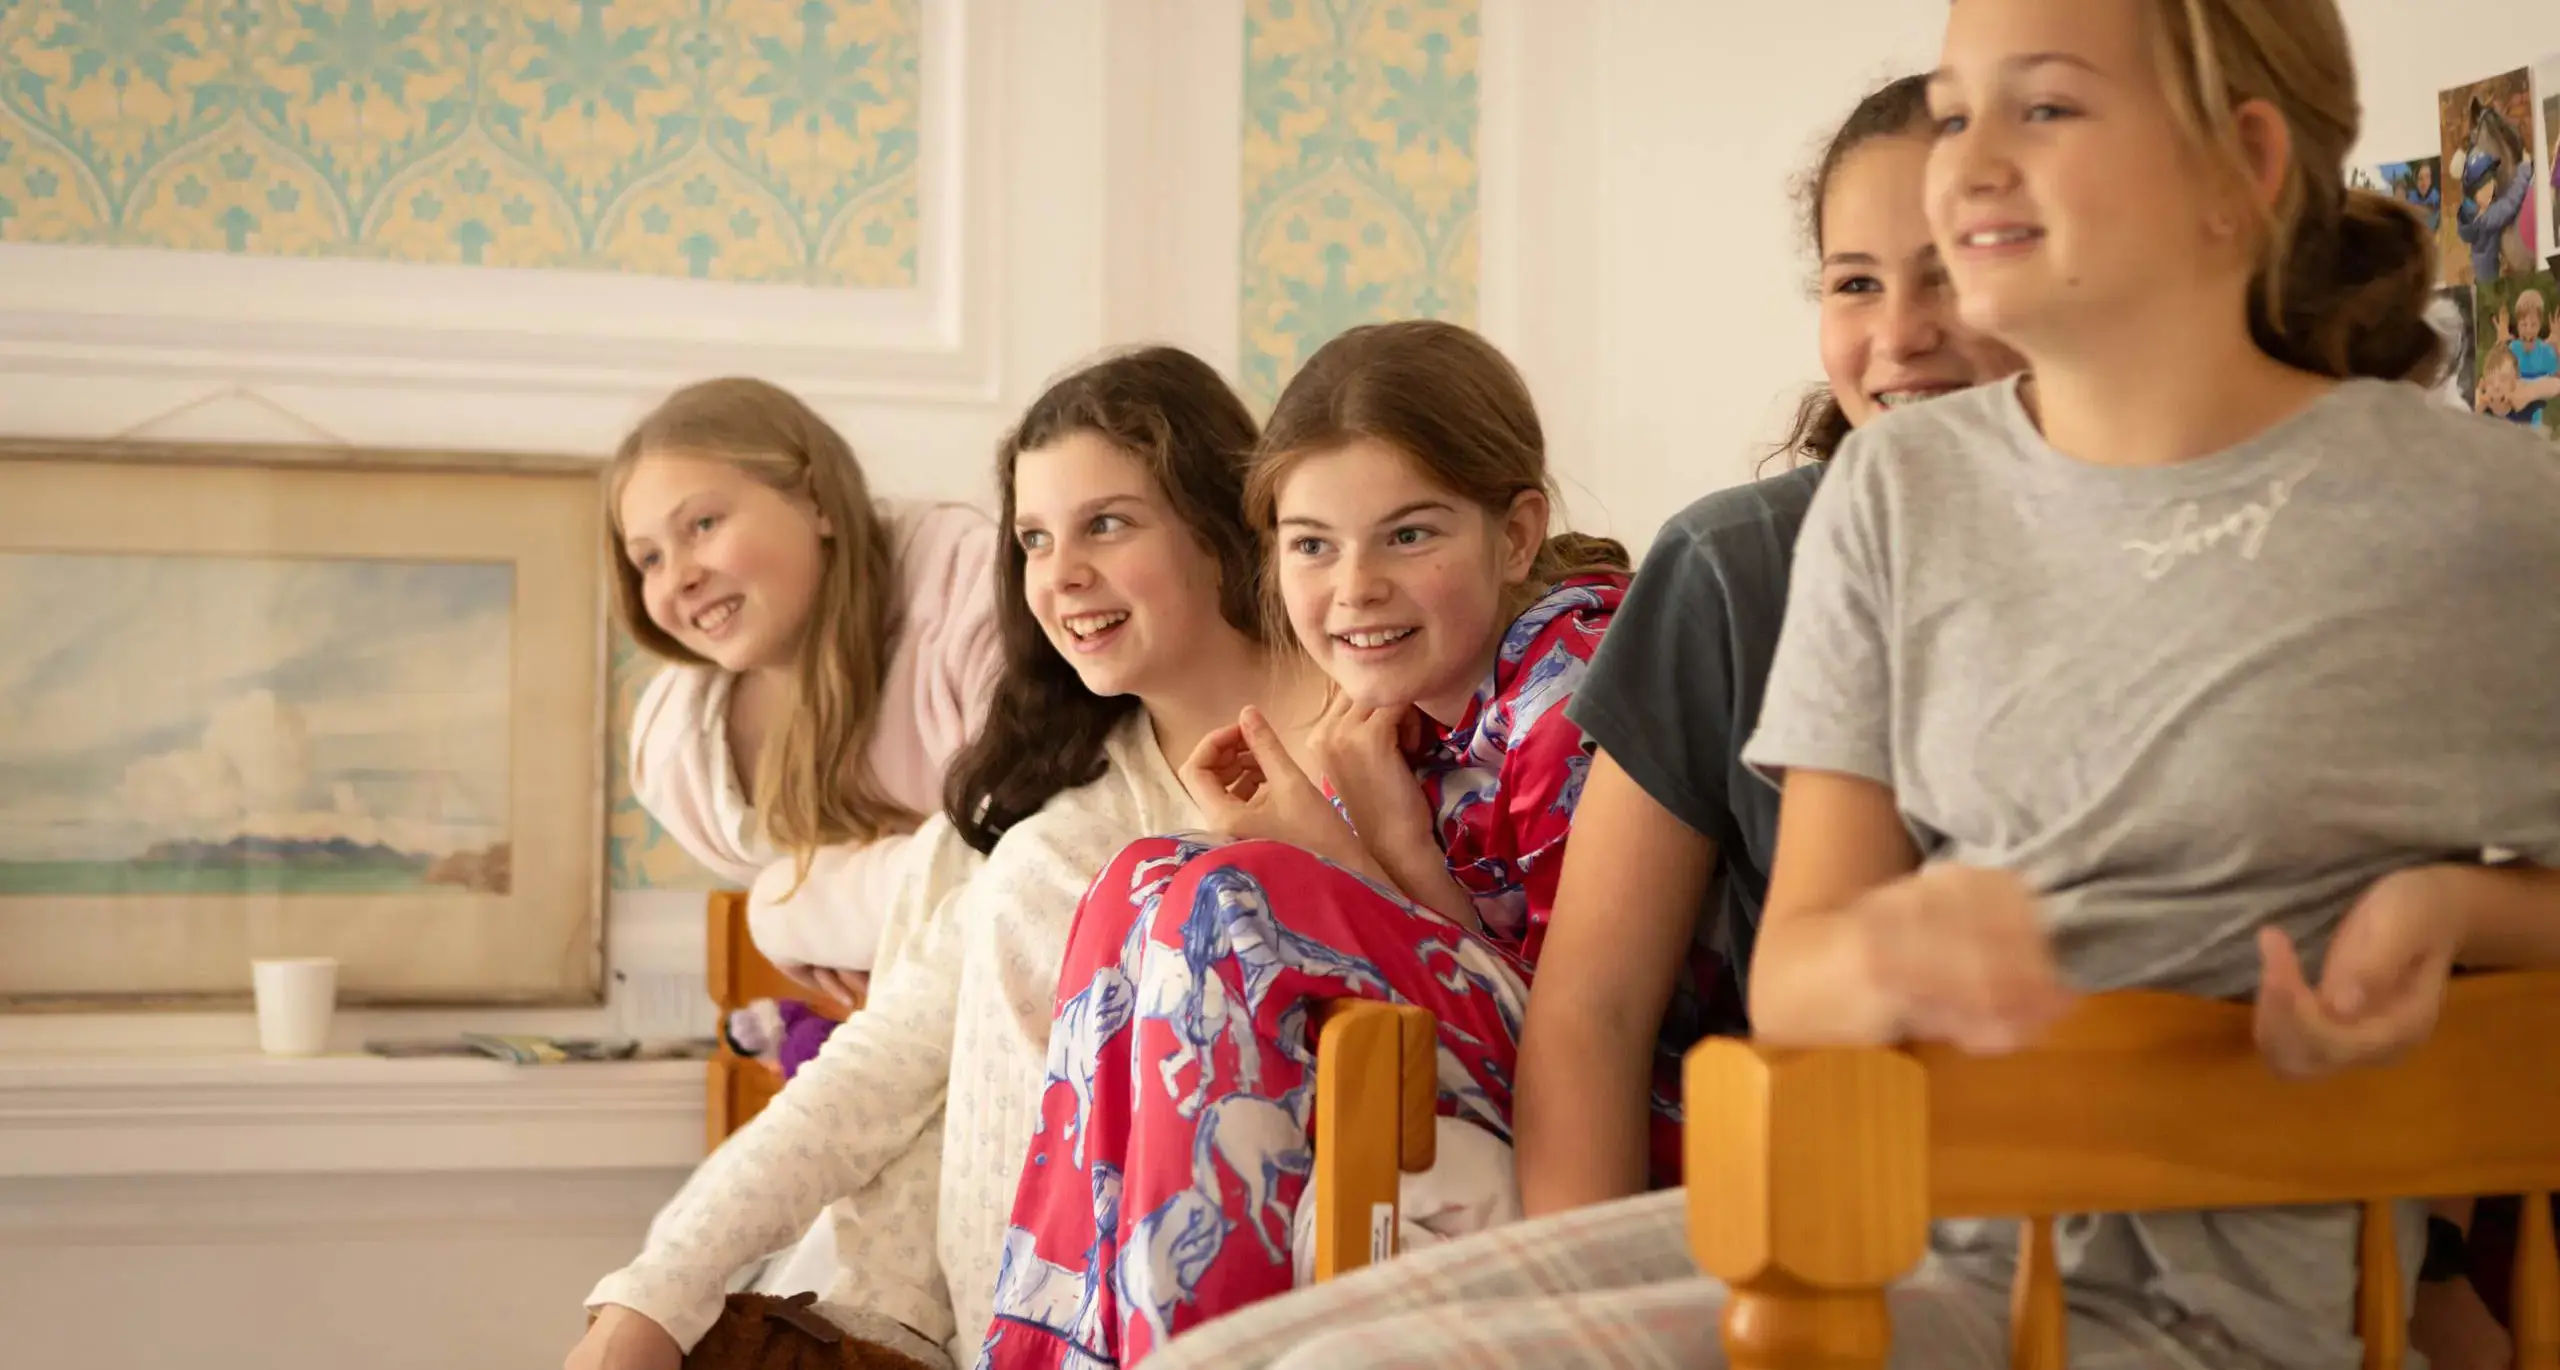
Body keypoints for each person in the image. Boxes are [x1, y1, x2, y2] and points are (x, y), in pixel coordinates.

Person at [1145, 0, 2560, 1366]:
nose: (1971, 167)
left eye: (2047, 106)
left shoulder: (2479, 517)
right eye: (1957, 116)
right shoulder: (1900, 492)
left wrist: (2446, 910)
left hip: (2179, 1314)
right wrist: (1906, 948)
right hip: (1862, 1228)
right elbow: (1804, 973)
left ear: (2242, 169)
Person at [566, 347, 1323, 1370]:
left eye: (1107, 522)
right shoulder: (1060, 830)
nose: (1060, 574)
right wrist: (656, 1291)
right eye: (1033, 538)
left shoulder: (1386, 713)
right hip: (1053, 1314)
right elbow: (881, 1065)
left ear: (1215, 518)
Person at [984, 321, 1630, 1369]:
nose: (1355, 585)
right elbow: (1450, 960)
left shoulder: (1571, 682)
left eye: (1408, 535)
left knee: (1222, 895)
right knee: (1143, 872)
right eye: (1313, 544)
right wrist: (1347, 836)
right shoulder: (1396, 710)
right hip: (1484, 1052)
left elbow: (1580, 1021)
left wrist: (1327, 853)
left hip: (1626, 1095)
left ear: (1514, 535)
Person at [1510, 73, 2026, 1219]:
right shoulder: (1732, 571)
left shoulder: (2180, 547)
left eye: (1950, 268)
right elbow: (1590, 1010)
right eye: (1854, 282)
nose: (1899, 333)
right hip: (1828, 1212)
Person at [611, 376, 1002, 1347]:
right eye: (647, 556)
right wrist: (800, 909)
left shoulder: (956, 595)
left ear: (818, 499)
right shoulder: (689, 738)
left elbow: (1003, 874)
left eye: (702, 523)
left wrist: (792, 908)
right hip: (902, 1053)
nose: (677, 575)